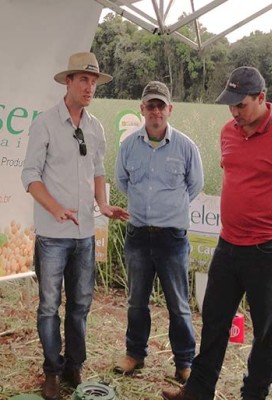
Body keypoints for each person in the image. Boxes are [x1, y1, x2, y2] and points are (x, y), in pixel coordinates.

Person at [162, 66, 272, 400]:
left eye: (241, 105)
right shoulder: (228, 132)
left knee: (265, 332)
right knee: (215, 320)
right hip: (228, 244)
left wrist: (269, 213)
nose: (235, 112)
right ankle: (199, 391)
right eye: (230, 105)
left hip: (269, 250)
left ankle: (253, 395)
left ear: (262, 98)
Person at [21, 51, 128, 400]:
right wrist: (55, 209)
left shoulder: (95, 127)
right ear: (68, 82)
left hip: (84, 234)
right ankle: (51, 370)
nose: (90, 86)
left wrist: (103, 205)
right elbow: (30, 176)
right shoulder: (45, 123)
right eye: (83, 79)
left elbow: (97, 170)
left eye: (94, 81)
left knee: (80, 304)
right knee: (49, 306)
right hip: (53, 236)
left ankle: (73, 365)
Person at [113, 80, 203, 383]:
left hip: (172, 238)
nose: (155, 111)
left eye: (160, 105)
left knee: (178, 304)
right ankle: (135, 355)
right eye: (150, 105)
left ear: (169, 109)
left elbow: (195, 185)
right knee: (137, 300)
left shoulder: (186, 147)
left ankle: (184, 363)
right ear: (142, 109)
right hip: (138, 234)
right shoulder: (128, 147)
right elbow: (122, 181)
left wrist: (168, 210)